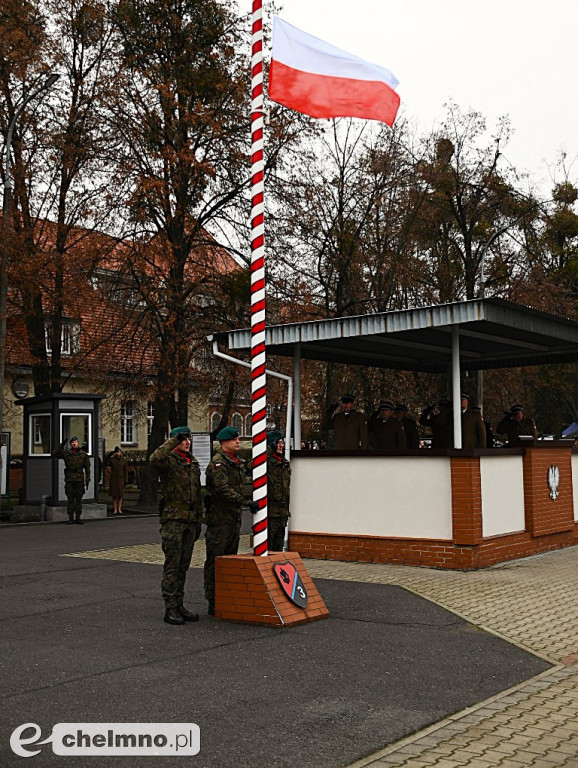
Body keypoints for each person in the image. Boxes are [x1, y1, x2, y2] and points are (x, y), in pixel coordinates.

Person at [150, 426, 203, 626]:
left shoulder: (193, 462)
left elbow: (197, 494)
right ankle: (169, 607)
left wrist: (199, 521)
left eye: (188, 438)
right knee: (172, 564)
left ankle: (179, 604)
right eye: (182, 439)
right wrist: (172, 441)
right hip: (173, 520)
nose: (187, 442)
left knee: (184, 565)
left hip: (190, 520)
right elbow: (154, 459)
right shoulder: (169, 460)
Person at [204, 426, 255, 616]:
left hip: (233, 519)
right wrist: (246, 502)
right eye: (234, 439)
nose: (238, 441)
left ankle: (226, 597)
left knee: (229, 559)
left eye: (238, 438)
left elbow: (249, 466)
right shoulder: (219, 463)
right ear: (223, 442)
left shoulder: (235, 462)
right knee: (216, 560)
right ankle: (213, 599)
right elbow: (223, 490)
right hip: (219, 520)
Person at [53, 436, 91, 525]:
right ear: (70, 444)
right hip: (70, 479)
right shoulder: (67, 453)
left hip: (79, 479)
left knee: (78, 499)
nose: (74, 444)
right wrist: (63, 443)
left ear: (78, 443)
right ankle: (70, 518)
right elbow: (55, 453)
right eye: (72, 442)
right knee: (70, 499)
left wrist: (88, 479)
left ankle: (78, 517)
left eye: (76, 442)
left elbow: (87, 468)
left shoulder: (83, 454)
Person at [266, 431, 291, 551]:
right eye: (278, 443)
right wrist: (268, 452)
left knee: (278, 550)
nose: (282, 445)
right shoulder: (266, 462)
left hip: (282, 513)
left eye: (282, 442)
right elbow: (251, 467)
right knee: (269, 549)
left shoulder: (284, 463)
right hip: (270, 514)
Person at [108, 446, 129, 515]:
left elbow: (126, 470)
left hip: (121, 479)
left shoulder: (124, 460)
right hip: (114, 479)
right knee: (114, 495)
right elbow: (106, 462)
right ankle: (115, 509)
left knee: (120, 495)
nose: (118, 454)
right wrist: (110, 454)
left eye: (119, 452)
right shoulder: (112, 460)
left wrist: (126, 480)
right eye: (117, 452)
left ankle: (119, 509)